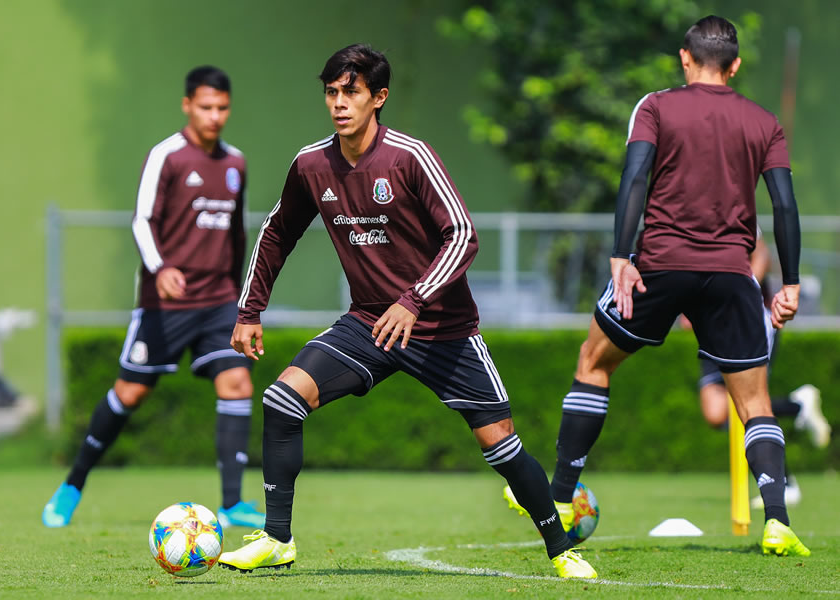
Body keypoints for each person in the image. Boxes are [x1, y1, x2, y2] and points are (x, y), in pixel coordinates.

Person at [215, 44, 597, 579]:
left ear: (379, 97)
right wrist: (249, 310)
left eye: (352, 92)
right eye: (332, 92)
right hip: (369, 323)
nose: (339, 103)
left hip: (444, 331)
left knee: (502, 447)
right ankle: (277, 538)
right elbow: (276, 234)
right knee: (282, 400)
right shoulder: (310, 165)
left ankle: (562, 549)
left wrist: (413, 300)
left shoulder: (409, 157)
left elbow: (462, 235)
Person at [508, 15, 811, 557]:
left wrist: (622, 256)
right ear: (736, 65)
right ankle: (778, 522)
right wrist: (787, 283)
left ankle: (557, 497)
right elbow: (785, 207)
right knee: (755, 403)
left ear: (685, 58)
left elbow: (635, 179)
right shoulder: (764, 121)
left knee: (593, 363)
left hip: (659, 266)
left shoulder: (655, 107)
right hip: (731, 275)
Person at [42, 66, 264, 530]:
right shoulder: (167, 156)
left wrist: (244, 297)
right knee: (131, 392)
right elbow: (142, 221)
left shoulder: (236, 163)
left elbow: (238, 235)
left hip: (219, 298)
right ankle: (72, 484)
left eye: (223, 107)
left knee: (237, 384)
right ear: (187, 105)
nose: (215, 116)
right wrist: (160, 268)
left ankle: (231, 503)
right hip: (166, 303)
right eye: (206, 107)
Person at [696, 234, 831, 508]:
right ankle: (796, 405)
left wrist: (733, 292)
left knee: (748, 402)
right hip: (712, 321)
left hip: (750, 316)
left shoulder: (734, 205)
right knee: (716, 413)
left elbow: (761, 256)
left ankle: (782, 484)